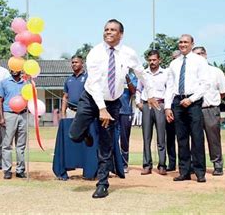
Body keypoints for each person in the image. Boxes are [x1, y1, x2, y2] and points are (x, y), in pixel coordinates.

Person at [69, 19, 159, 198]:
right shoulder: (95, 52)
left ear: (121, 34)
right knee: (75, 135)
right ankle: (86, 132)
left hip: (113, 102)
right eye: (106, 29)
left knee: (106, 143)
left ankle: (102, 183)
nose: (108, 32)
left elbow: (141, 73)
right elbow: (93, 83)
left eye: (112, 30)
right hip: (90, 98)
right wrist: (101, 109)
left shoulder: (128, 53)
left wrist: (150, 93)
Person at [164, 34, 210, 183]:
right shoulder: (174, 64)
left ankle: (199, 172)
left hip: (193, 101)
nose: (182, 44)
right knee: (181, 138)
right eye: (180, 42)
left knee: (197, 137)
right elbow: (170, 86)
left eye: (186, 42)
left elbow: (205, 84)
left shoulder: (200, 61)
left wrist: (191, 99)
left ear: (192, 44)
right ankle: (184, 171)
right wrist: (167, 107)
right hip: (177, 101)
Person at [193, 46, 225, 176]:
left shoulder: (216, 71)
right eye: (196, 54)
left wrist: (213, 100)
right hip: (194, 108)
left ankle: (217, 164)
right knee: (196, 139)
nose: (199, 56)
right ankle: (196, 164)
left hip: (210, 108)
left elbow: (223, 92)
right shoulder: (192, 73)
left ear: (206, 55)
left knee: (213, 138)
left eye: (201, 53)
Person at [136, 50, 169, 176]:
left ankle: (162, 165)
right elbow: (139, 89)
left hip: (160, 104)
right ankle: (146, 165)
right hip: (146, 105)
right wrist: (138, 103)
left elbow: (169, 89)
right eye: (150, 60)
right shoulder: (144, 73)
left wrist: (167, 106)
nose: (152, 62)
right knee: (146, 137)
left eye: (154, 60)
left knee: (161, 137)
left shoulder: (165, 73)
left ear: (159, 60)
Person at [0, 69, 27, 179]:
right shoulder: (4, 82)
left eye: (17, 67)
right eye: (12, 68)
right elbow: (0, 100)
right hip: (9, 114)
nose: (14, 70)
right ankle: (7, 170)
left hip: (23, 114)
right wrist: (1, 117)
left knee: (21, 145)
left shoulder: (26, 82)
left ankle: (20, 170)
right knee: (7, 144)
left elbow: (30, 97)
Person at [165, 50, 181, 171]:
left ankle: (185, 163)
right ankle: (171, 163)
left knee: (183, 137)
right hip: (170, 107)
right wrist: (167, 107)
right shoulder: (168, 71)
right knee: (170, 138)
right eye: (173, 57)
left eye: (178, 57)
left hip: (182, 106)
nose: (175, 59)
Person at [118, 71, 137, 173]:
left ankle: (124, 164)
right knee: (112, 138)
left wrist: (127, 78)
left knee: (124, 139)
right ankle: (112, 164)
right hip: (113, 111)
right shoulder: (113, 74)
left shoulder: (132, 76)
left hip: (125, 112)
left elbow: (133, 91)